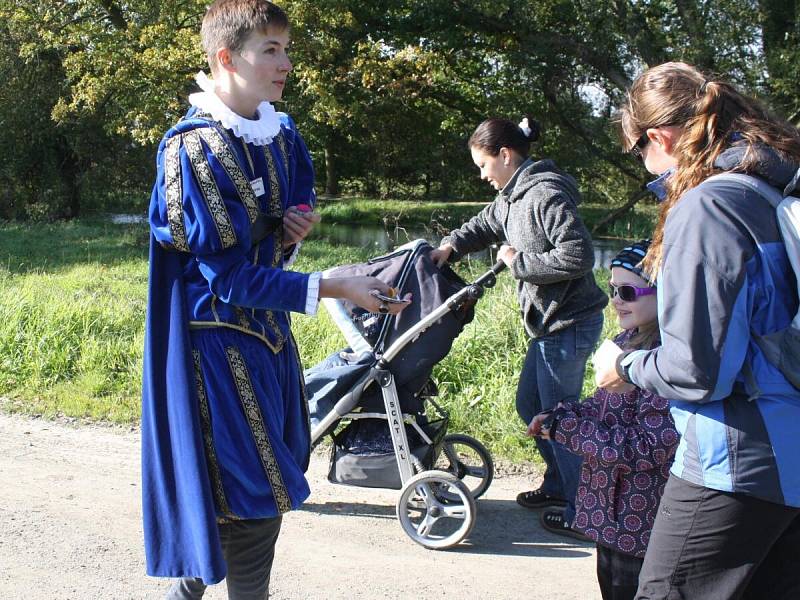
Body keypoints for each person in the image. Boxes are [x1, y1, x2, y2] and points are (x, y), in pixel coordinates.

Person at [141, 1, 410, 598]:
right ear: (225, 58)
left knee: (240, 497)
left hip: (265, 340)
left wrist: (295, 229)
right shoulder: (194, 151)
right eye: (271, 50)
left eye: (286, 49)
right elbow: (228, 279)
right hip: (212, 349)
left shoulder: (280, 135)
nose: (286, 63)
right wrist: (334, 284)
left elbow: (285, 222)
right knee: (253, 498)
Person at [593, 61, 800, 599]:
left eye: (639, 151)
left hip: (735, 460)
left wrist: (625, 365)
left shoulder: (708, 205)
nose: (645, 165)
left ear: (659, 137)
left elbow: (698, 372)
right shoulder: (769, 189)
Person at [430, 115, 608, 538]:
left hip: (570, 322)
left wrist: (519, 265)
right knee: (531, 407)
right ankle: (559, 485)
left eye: (483, 165)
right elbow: (486, 224)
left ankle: (586, 510)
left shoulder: (544, 194)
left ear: (505, 155)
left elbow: (579, 256)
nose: (481, 175)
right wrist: (451, 246)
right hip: (549, 325)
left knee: (559, 418)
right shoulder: (512, 196)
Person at [529, 240, 679, 600]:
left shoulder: (665, 361)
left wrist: (570, 430)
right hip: (606, 517)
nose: (616, 300)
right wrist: (563, 415)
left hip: (640, 522)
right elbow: (601, 406)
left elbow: (648, 447)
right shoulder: (624, 340)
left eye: (627, 291)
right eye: (612, 289)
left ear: (667, 293)